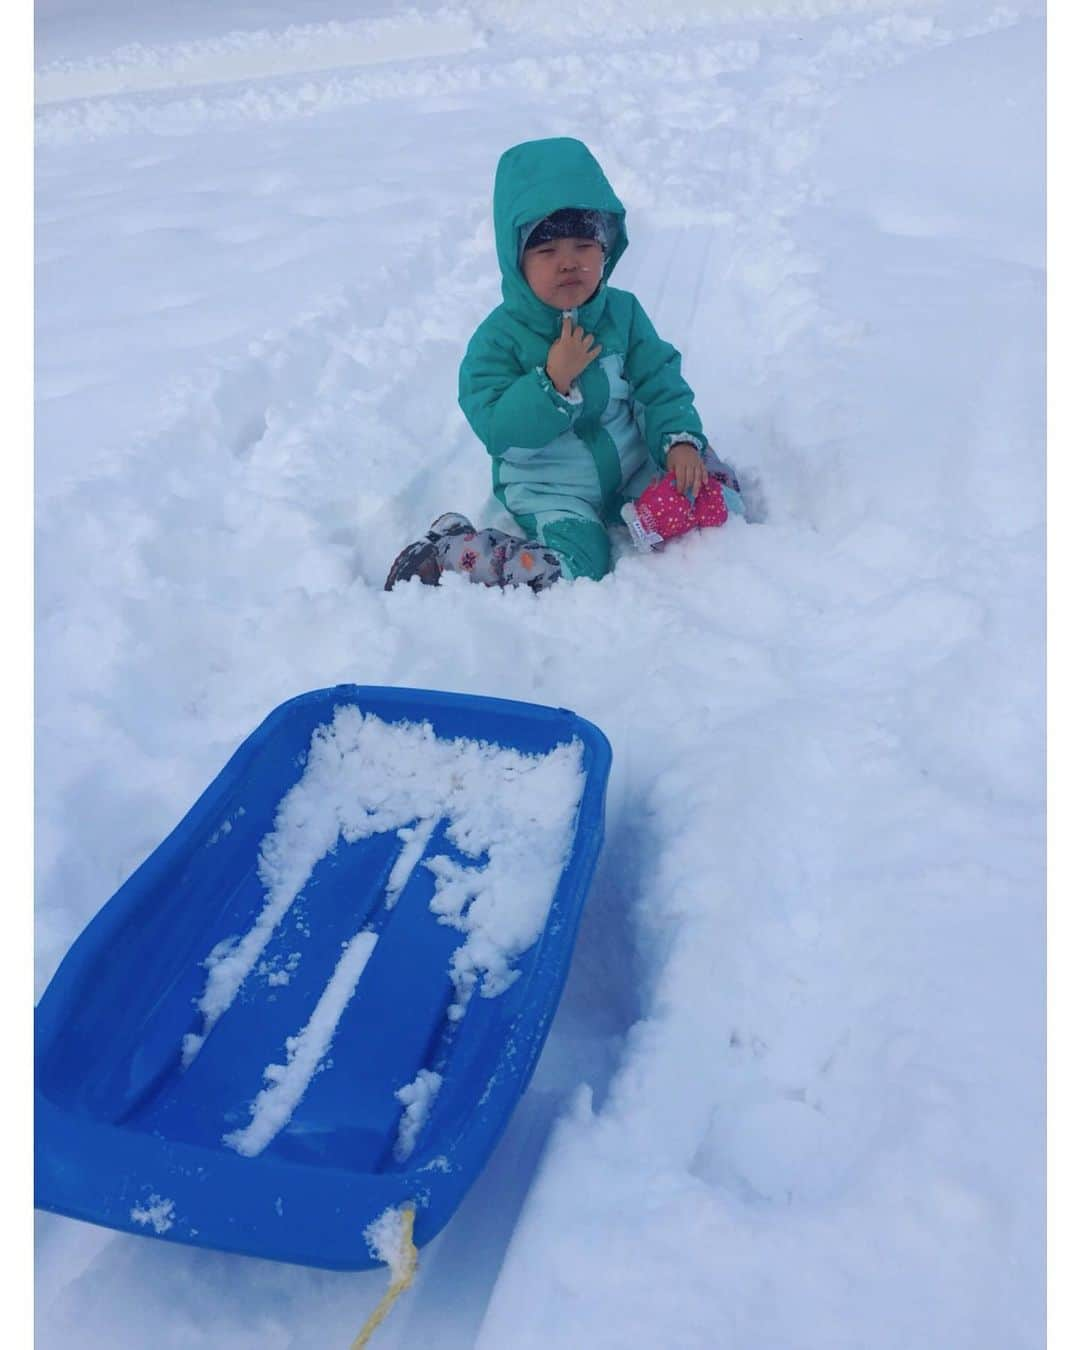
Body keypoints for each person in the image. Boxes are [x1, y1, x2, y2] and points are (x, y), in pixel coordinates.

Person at [385, 136, 743, 592]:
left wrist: (678, 442)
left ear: (606, 249)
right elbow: (499, 430)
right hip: (553, 489)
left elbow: (659, 382)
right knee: (576, 569)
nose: (568, 264)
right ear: (516, 261)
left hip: (630, 468)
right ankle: (451, 550)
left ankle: (653, 502)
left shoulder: (623, 314)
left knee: (715, 492)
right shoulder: (498, 341)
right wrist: (552, 382)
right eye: (546, 251)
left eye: (583, 246)